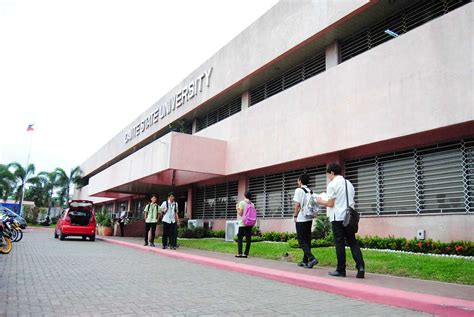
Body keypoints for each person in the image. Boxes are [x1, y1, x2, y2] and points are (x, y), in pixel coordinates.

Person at [317, 163, 365, 278]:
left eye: (328, 174)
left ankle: (341, 270)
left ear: (332, 173)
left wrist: (320, 200)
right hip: (349, 218)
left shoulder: (332, 184)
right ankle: (361, 267)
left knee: (339, 243)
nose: (328, 176)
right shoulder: (349, 183)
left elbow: (330, 203)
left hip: (337, 217)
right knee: (353, 242)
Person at [293, 173, 318, 269]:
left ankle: (311, 259)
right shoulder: (310, 191)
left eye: (298, 180)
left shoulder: (298, 190)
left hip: (301, 218)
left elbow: (297, 205)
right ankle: (305, 261)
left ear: (300, 181)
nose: (297, 181)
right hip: (309, 218)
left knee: (301, 240)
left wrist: (295, 215)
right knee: (307, 240)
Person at [235, 190, 254, 258]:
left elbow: (240, 214)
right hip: (250, 223)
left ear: (245, 195)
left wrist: (237, 208)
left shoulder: (242, 203)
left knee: (240, 238)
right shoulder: (252, 204)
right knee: (248, 239)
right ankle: (246, 254)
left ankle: (240, 253)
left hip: (243, 224)